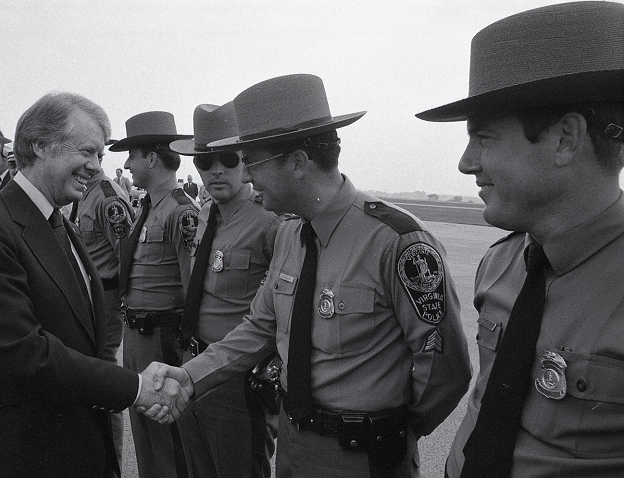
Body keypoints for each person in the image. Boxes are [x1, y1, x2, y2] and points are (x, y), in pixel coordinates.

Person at [149, 74, 472, 478]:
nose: (246, 176)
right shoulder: (289, 234)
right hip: (293, 445)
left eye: (251, 162)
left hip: (363, 458)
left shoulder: (397, 242)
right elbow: (259, 328)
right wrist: (189, 375)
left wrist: (390, 430)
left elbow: (446, 369)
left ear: (298, 163)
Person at [416, 3, 624, 477]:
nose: (466, 164)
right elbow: (485, 406)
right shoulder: (502, 265)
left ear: (566, 138)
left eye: (483, 138)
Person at [0, 92, 189, 478]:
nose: (95, 168)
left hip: (73, 446)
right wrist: (136, 388)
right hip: (23, 454)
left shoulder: (61, 223)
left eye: (100, 156)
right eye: (87, 152)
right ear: (40, 146)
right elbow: (24, 353)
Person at [169, 102, 284, 478]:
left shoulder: (272, 221)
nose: (216, 170)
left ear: (245, 161)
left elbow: (288, 304)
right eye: (205, 161)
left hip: (238, 381)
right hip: (192, 363)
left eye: (228, 159)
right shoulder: (205, 214)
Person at [109, 110, 197, 478]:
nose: (127, 164)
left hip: (163, 337)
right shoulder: (147, 207)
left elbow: (193, 286)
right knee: (145, 438)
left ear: (151, 158)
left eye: (132, 155)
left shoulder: (180, 212)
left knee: (167, 440)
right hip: (137, 334)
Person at [71, 163, 136, 468]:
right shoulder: (87, 192)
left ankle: (112, 465)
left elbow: (125, 255)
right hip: (92, 295)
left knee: (105, 376)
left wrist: (122, 301)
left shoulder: (108, 198)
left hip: (106, 296)